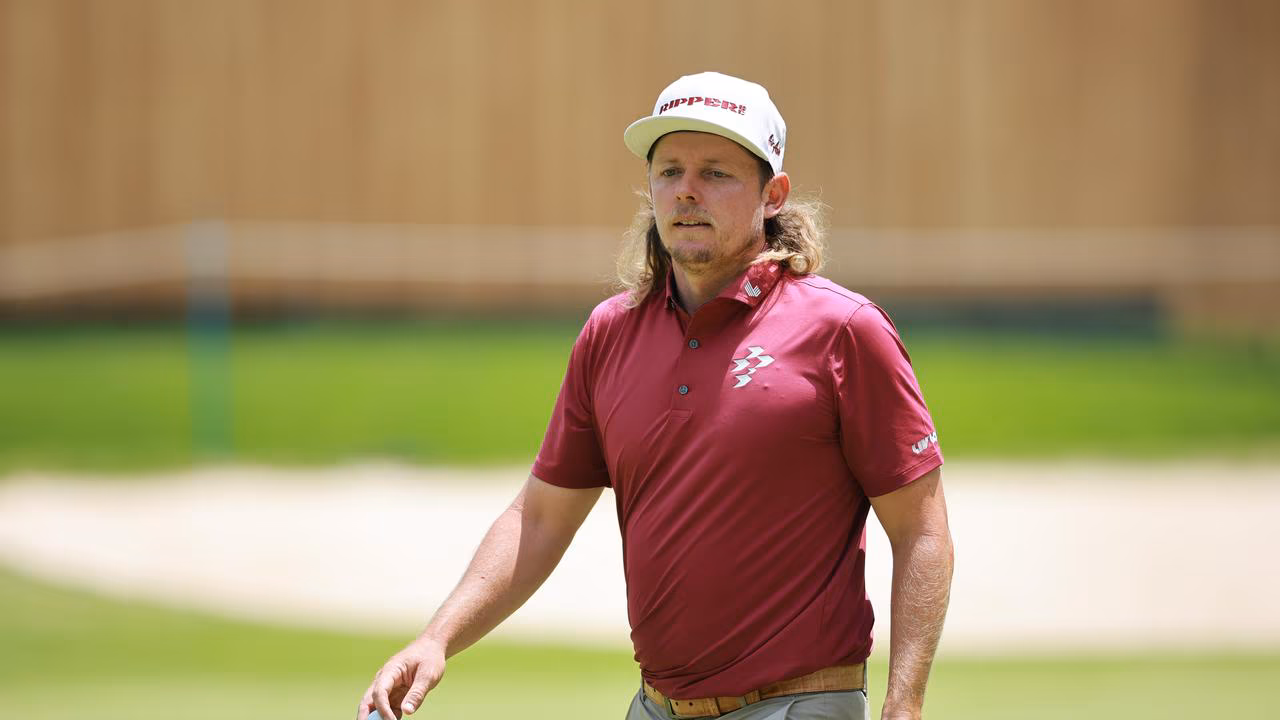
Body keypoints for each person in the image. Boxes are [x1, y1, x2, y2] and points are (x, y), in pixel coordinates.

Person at [357, 71, 953, 720]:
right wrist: (437, 638)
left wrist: (905, 704)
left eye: (716, 173)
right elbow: (541, 518)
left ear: (772, 195)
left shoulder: (843, 330)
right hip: (655, 706)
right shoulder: (610, 333)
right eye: (670, 171)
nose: (687, 190)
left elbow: (920, 529)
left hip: (797, 703)